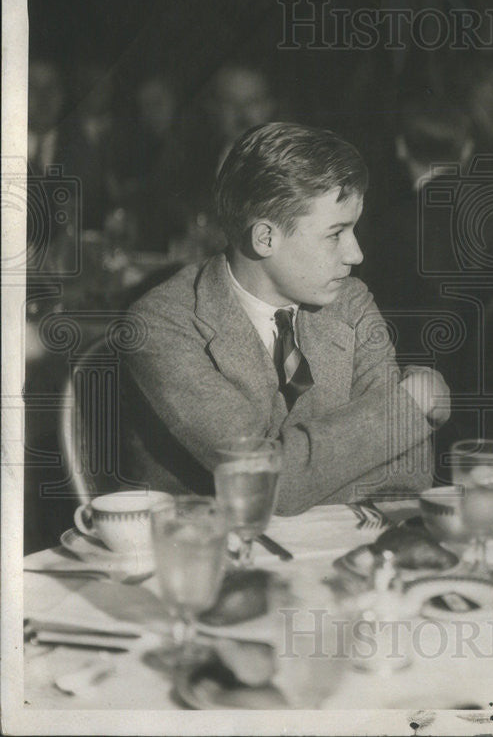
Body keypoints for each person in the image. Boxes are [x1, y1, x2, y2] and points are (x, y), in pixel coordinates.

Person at [123, 123, 450, 514]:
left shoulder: (350, 302)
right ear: (265, 238)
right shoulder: (162, 324)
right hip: (213, 553)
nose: (356, 254)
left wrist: (302, 472)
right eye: (336, 234)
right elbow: (263, 485)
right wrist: (409, 405)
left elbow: (407, 475)